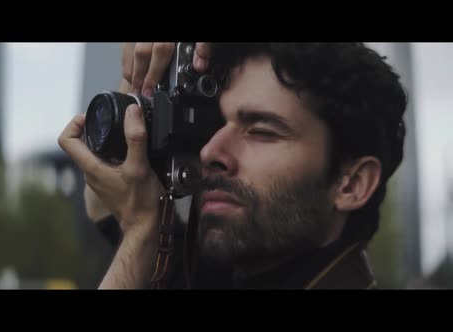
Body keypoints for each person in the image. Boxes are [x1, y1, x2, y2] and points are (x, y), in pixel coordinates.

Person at [58, 43, 407, 289]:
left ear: (352, 183)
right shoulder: (217, 270)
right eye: (216, 124)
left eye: (260, 131)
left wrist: (139, 237)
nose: (210, 151)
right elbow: (104, 203)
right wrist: (143, 75)